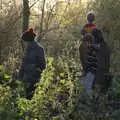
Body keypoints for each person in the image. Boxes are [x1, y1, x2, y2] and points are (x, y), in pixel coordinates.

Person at [79, 13, 111, 94]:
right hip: (94, 70)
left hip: (92, 70)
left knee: (88, 86)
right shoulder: (95, 30)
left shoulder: (87, 43)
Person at [19, 28, 46, 99]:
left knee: (31, 99)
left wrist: (35, 72)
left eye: (25, 42)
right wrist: (20, 75)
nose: (24, 43)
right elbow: (23, 62)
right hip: (25, 79)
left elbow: (43, 65)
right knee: (25, 100)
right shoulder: (27, 49)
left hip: (34, 80)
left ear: (29, 41)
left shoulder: (39, 49)